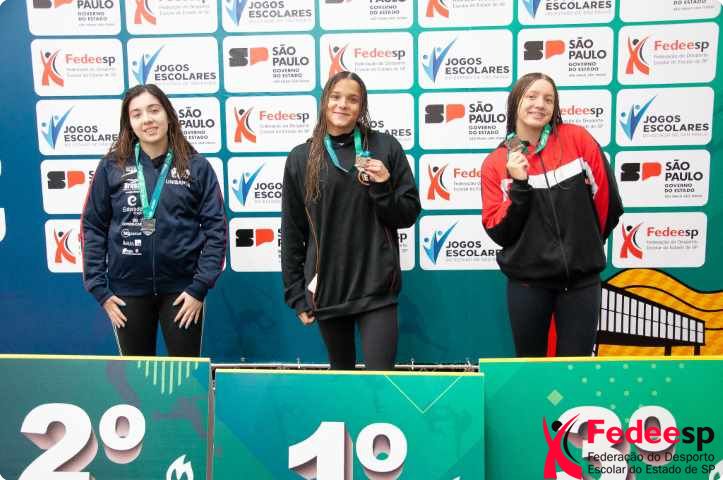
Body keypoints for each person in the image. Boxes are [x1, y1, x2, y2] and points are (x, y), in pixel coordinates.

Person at [281, 71, 421, 370]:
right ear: (324, 102)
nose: (342, 104)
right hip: (329, 289)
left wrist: (382, 186)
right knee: (342, 379)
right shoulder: (301, 158)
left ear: (362, 107)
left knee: (380, 381)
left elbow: (407, 214)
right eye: (335, 97)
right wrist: (295, 293)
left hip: (377, 288)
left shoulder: (386, 147)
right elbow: (293, 232)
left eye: (352, 99)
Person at [481, 72, 623, 357]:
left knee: (575, 370)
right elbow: (500, 231)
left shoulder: (578, 139)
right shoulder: (496, 163)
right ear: (515, 102)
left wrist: (585, 246)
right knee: (531, 370)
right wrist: (520, 185)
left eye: (548, 99)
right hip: (528, 285)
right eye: (531, 96)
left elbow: (608, 203)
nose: (540, 105)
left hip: (582, 283)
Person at [82, 84, 227, 357]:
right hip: (127, 292)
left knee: (184, 375)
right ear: (129, 123)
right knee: (137, 377)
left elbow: (216, 229)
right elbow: (93, 227)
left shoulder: (196, 166)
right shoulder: (111, 167)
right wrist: (99, 289)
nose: (147, 119)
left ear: (168, 115)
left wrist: (199, 287)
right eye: (137, 114)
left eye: (154, 110)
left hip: (183, 292)